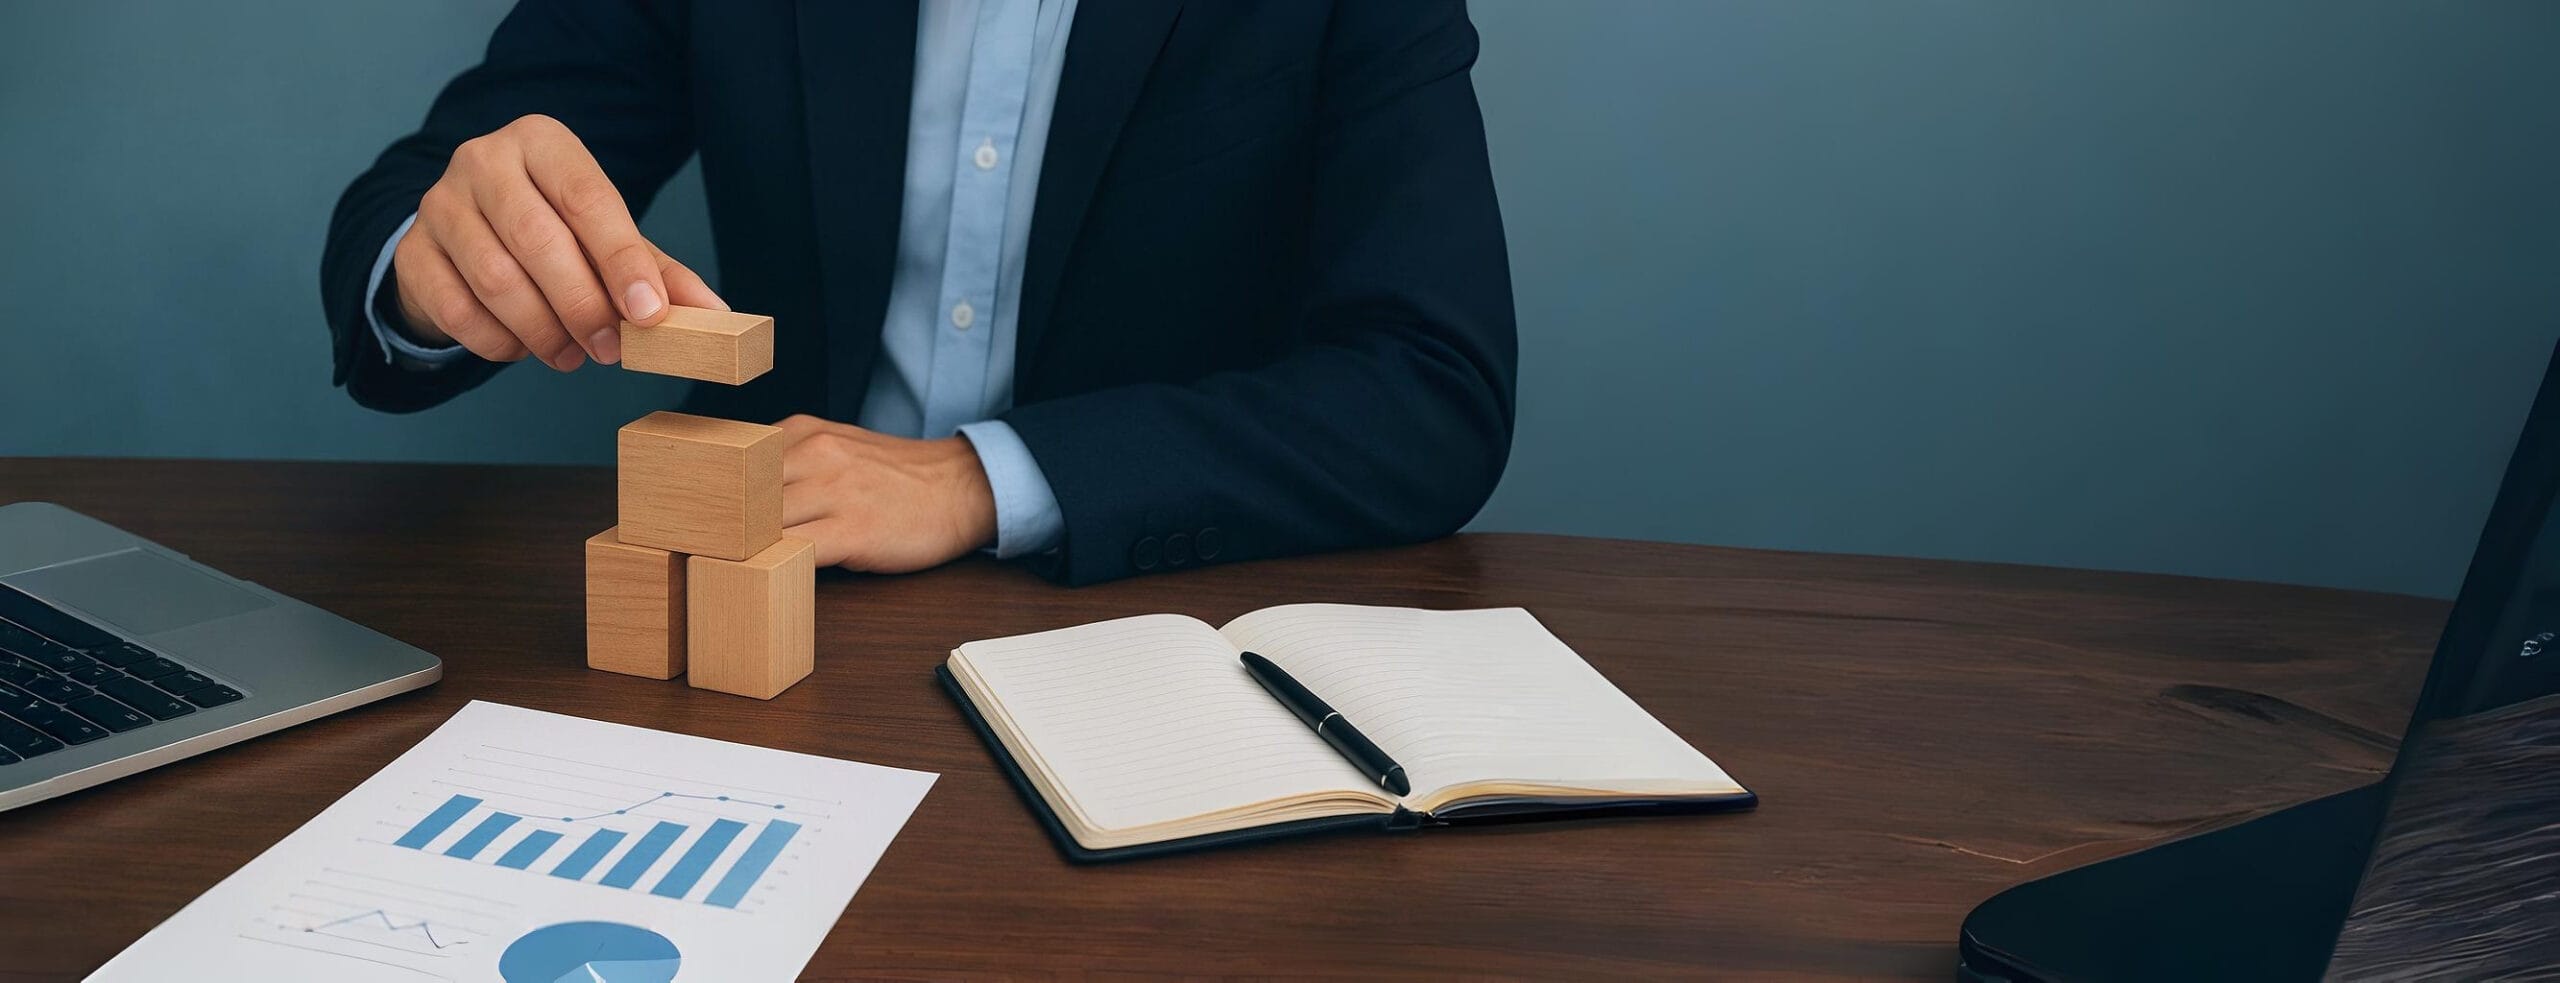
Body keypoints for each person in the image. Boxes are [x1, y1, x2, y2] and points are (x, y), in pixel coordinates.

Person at [321, 0, 1517, 585]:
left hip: (1141, 622)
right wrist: (435, 271)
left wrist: (975, 479)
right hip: (755, 593)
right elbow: (418, 196)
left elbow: (1430, 390)